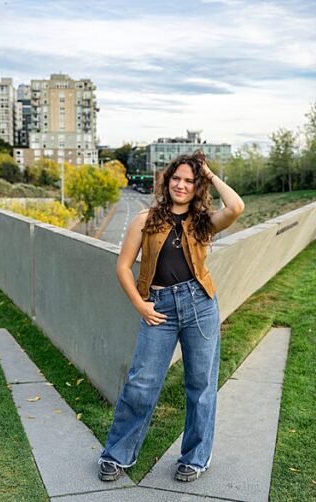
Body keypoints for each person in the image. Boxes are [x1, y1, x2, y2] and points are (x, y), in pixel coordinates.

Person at [98, 150, 244, 483]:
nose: (181, 185)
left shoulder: (204, 221)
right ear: (167, 181)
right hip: (158, 308)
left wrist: (208, 173)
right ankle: (116, 454)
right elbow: (123, 266)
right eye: (176, 178)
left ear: (198, 186)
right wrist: (140, 304)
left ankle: (195, 458)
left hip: (200, 305)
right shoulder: (145, 219)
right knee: (142, 383)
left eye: (190, 181)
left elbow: (236, 207)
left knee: (201, 384)